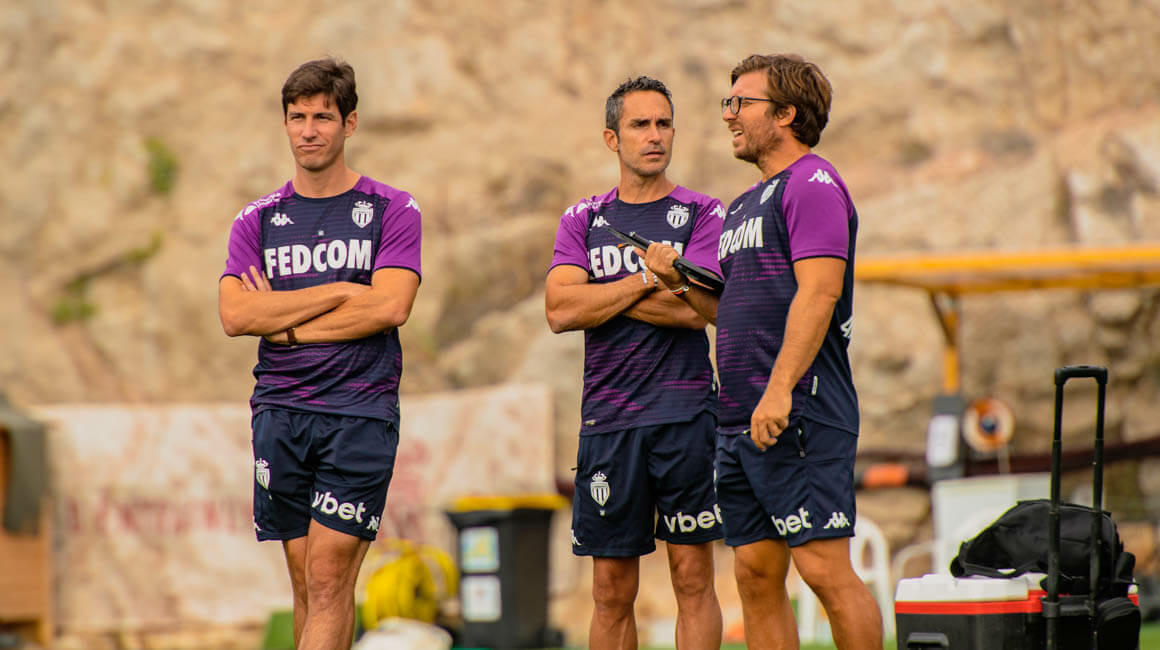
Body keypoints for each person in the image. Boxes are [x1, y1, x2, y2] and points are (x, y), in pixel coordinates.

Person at [641, 54, 884, 650]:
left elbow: (820, 292)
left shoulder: (813, 184)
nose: (728, 115)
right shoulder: (745, 204)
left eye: (740, 103)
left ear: (785, 115)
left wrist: (778, 390)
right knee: (753, 575)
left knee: (824, 569)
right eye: (727, 103)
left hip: (799, 409)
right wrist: (678, 283)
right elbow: (730, 309)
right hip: (739, 419)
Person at [218, 58, 421, 650]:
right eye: (297, 117)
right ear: (285, 123)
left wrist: (285, 324)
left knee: (329, 576)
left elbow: (389, 306)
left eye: (322, 117)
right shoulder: (257, 219)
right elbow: (236, 316)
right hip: (279, 409)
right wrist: (338, 291)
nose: (308, 130)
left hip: (358, 411)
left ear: (349, 123)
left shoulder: (392, 209)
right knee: (308, 583)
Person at [545, 76, 726, 650]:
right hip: (609, 421)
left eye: (664, 123)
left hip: (685, 416)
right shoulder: (584, 217)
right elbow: (559, 310)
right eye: (640, 125)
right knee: (610, 589)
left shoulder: (702, 212)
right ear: (612, 137)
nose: (654, 136)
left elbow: (697, 312)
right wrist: (651, 278)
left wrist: (600, 298)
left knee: (692, 578)